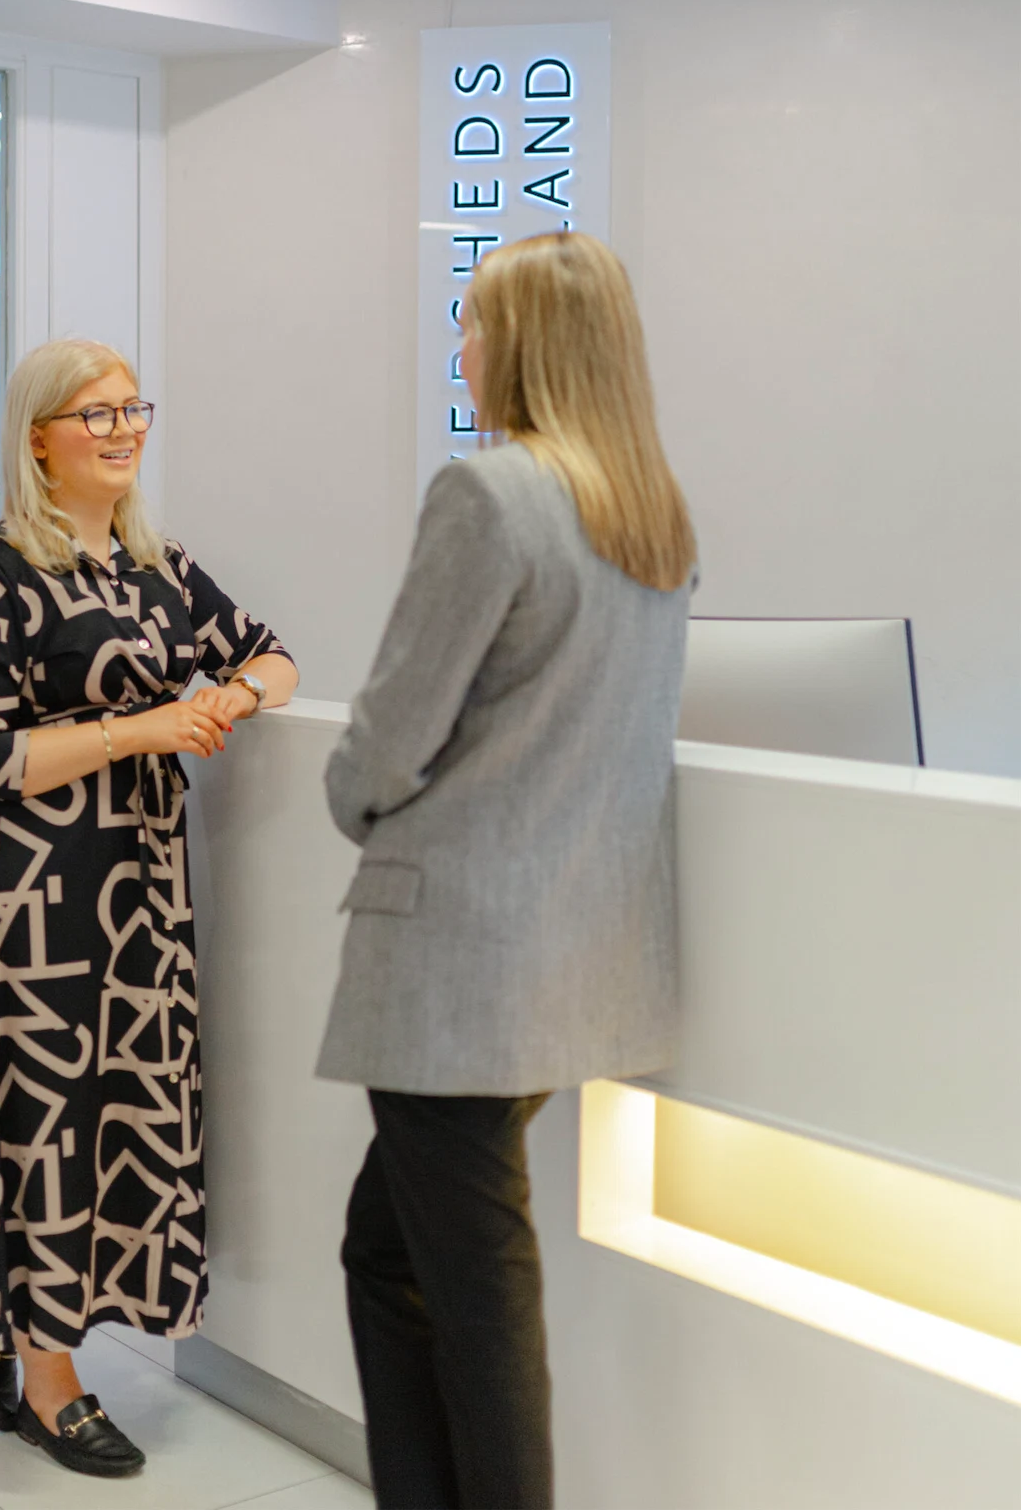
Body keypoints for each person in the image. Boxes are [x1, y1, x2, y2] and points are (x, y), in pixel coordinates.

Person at [317, 232, 696, 1510]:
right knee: (391, 1252)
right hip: (568, 964)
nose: (461, 350)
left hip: (459, 967)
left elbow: (388, 735)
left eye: (471, 325)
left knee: (475, 1293)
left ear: (521, 345)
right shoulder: (650, 515)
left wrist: (354, 798)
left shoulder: (489, 496)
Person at [0, 337, 297, 1479]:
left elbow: (273, 660)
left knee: (123, 1109)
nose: (124, 429)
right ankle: (49, 1381)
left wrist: (224, 697)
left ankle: (20, 1317)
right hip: (32, 890)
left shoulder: (161, 566)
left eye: (134, 408)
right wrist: (144, 727)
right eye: (96, 414)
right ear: (39, 436)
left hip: (140, 884)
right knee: (43, 1120)